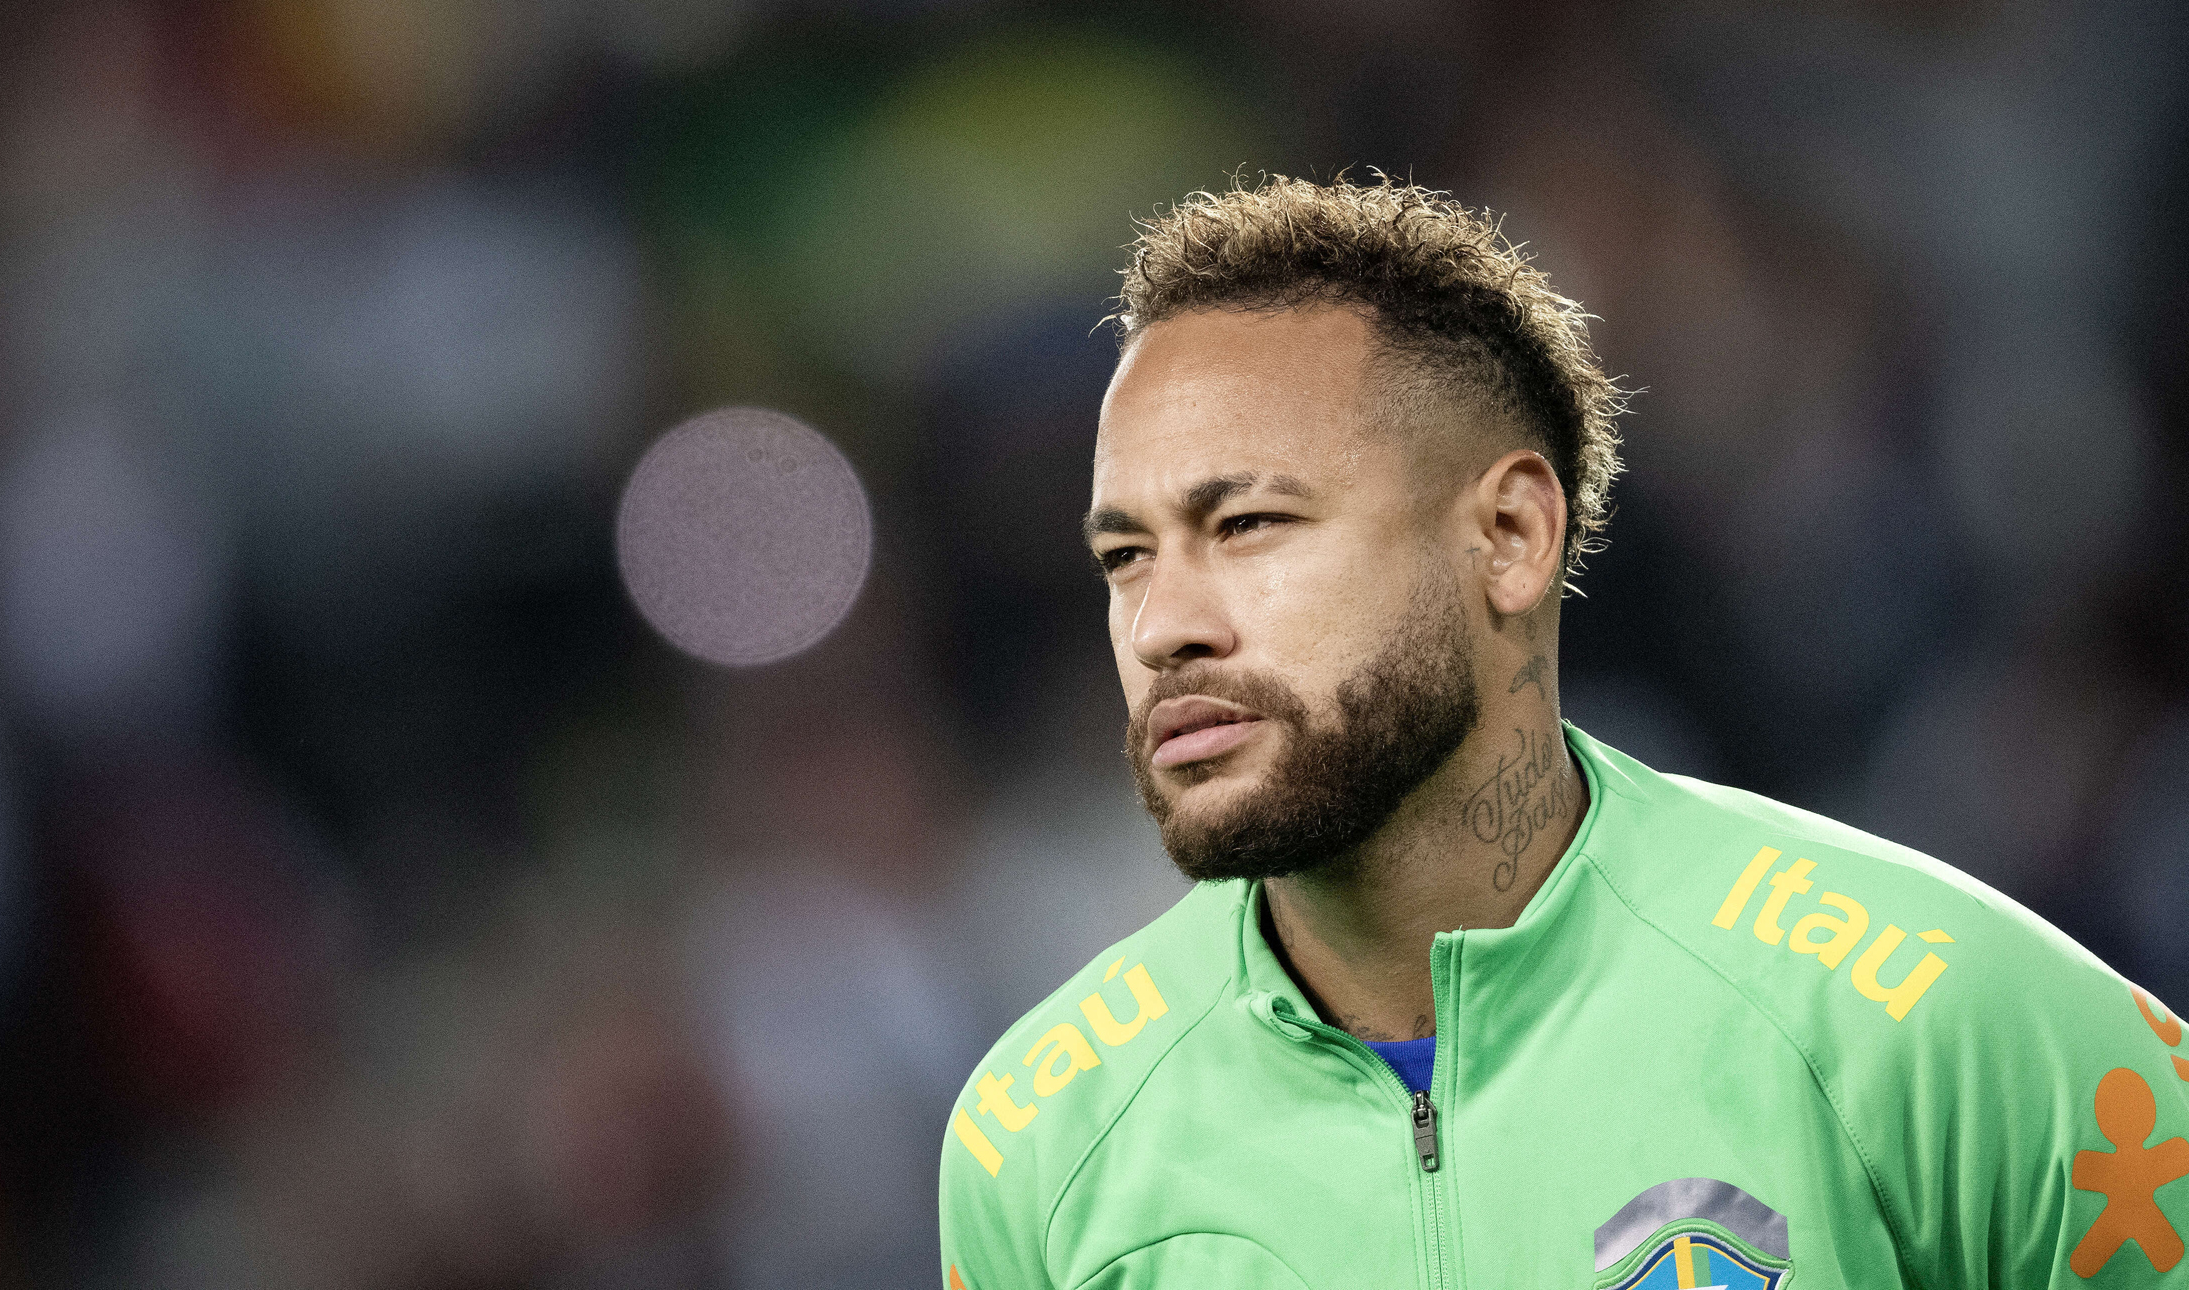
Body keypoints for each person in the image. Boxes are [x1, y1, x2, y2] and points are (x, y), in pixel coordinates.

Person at [938, 177, 2189, 1288]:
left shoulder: (1931, 1015)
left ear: (1510, 535)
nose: (1163, 624)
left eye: (1249, 524)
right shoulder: (1040, 1140)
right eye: (1125, 554)